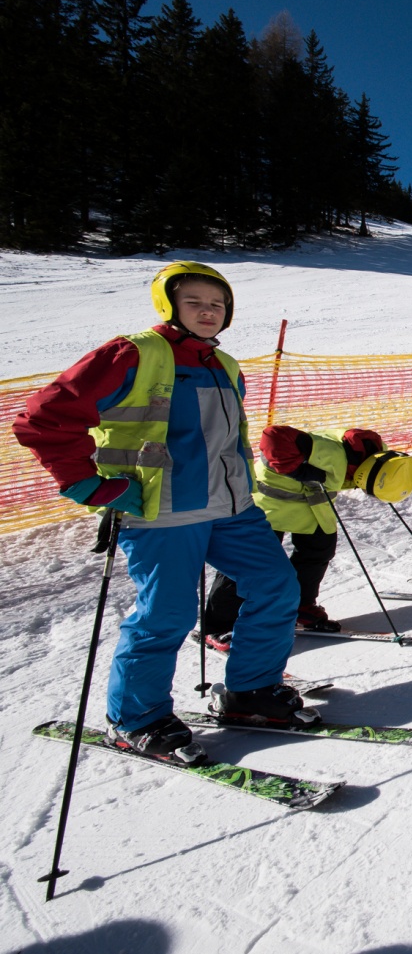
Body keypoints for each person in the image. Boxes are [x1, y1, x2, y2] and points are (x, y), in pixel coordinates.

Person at [12, 261, 317, 757]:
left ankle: (249, 690)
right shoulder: (133, 353)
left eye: (217, 304)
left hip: (231, 508)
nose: (207, 311)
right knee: (166, 614)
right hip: (161, 511)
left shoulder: (226, 365)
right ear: (169, 304)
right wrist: (88, 485)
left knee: (278, 586)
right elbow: (42, 419)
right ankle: (137, 718)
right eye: (194, 301)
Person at [201, 427, 412, 643]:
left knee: (319, 550)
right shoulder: (331, 453)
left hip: (309, 505)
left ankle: (301, 608)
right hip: (267, 506)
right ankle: (218, 626)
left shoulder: (380, 458)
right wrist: (295, 469)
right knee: (247, 562)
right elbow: (273, 435)